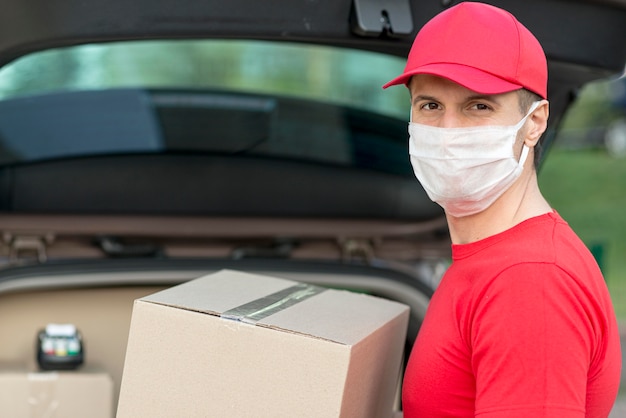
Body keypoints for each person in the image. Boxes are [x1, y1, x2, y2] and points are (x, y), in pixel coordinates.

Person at [383, 2, 622, 417]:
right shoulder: (492, 259)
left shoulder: (530, 281)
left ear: (535, 121)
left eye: (479, 106)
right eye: (430, 106)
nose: (448, 134)